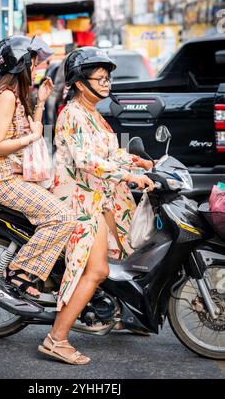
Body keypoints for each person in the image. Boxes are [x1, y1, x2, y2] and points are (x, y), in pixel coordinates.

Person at [38, 47, 154, 365]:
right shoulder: (73, 114)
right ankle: (56, 339)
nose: (106, 83)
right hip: (77, 199)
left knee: (124, 253)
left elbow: (109, 154)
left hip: (98, 196)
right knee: (97, 269)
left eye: (108, 77)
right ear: (79, 82)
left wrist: (140, 162)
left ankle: (119, 315)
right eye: (99, 78)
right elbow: (88, 161)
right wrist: (128, 174)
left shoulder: (93, 114)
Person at [0, 35, 80, 302]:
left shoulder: (17, 95)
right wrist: (31, 137)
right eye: (33, 64)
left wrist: (41, 101)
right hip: (4, 179)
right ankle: (19, 272)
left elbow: (31, 130)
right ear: (20, 64)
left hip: (19, 175)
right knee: (63, 217)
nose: (37, 69)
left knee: (68, 205)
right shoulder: (6, 97)